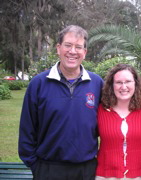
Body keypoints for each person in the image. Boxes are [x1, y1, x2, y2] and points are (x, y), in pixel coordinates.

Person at [18, 25, 103, 180]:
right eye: (68, 45)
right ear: (58, 48)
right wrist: (35, 166)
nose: (72, 51)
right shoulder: (38, 84)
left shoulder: (97, 83)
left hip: (86, 170)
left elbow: (111, 120)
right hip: (48, 169)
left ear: (84, 52)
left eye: (78, 47)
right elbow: (27, 128)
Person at [95, 64, 141, 180]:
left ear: (135, 84)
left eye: (128, 81)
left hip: (140, 175)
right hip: (105, 175)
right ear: (111, 86)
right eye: (118, 82)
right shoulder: (100, 111)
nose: (123, 86)